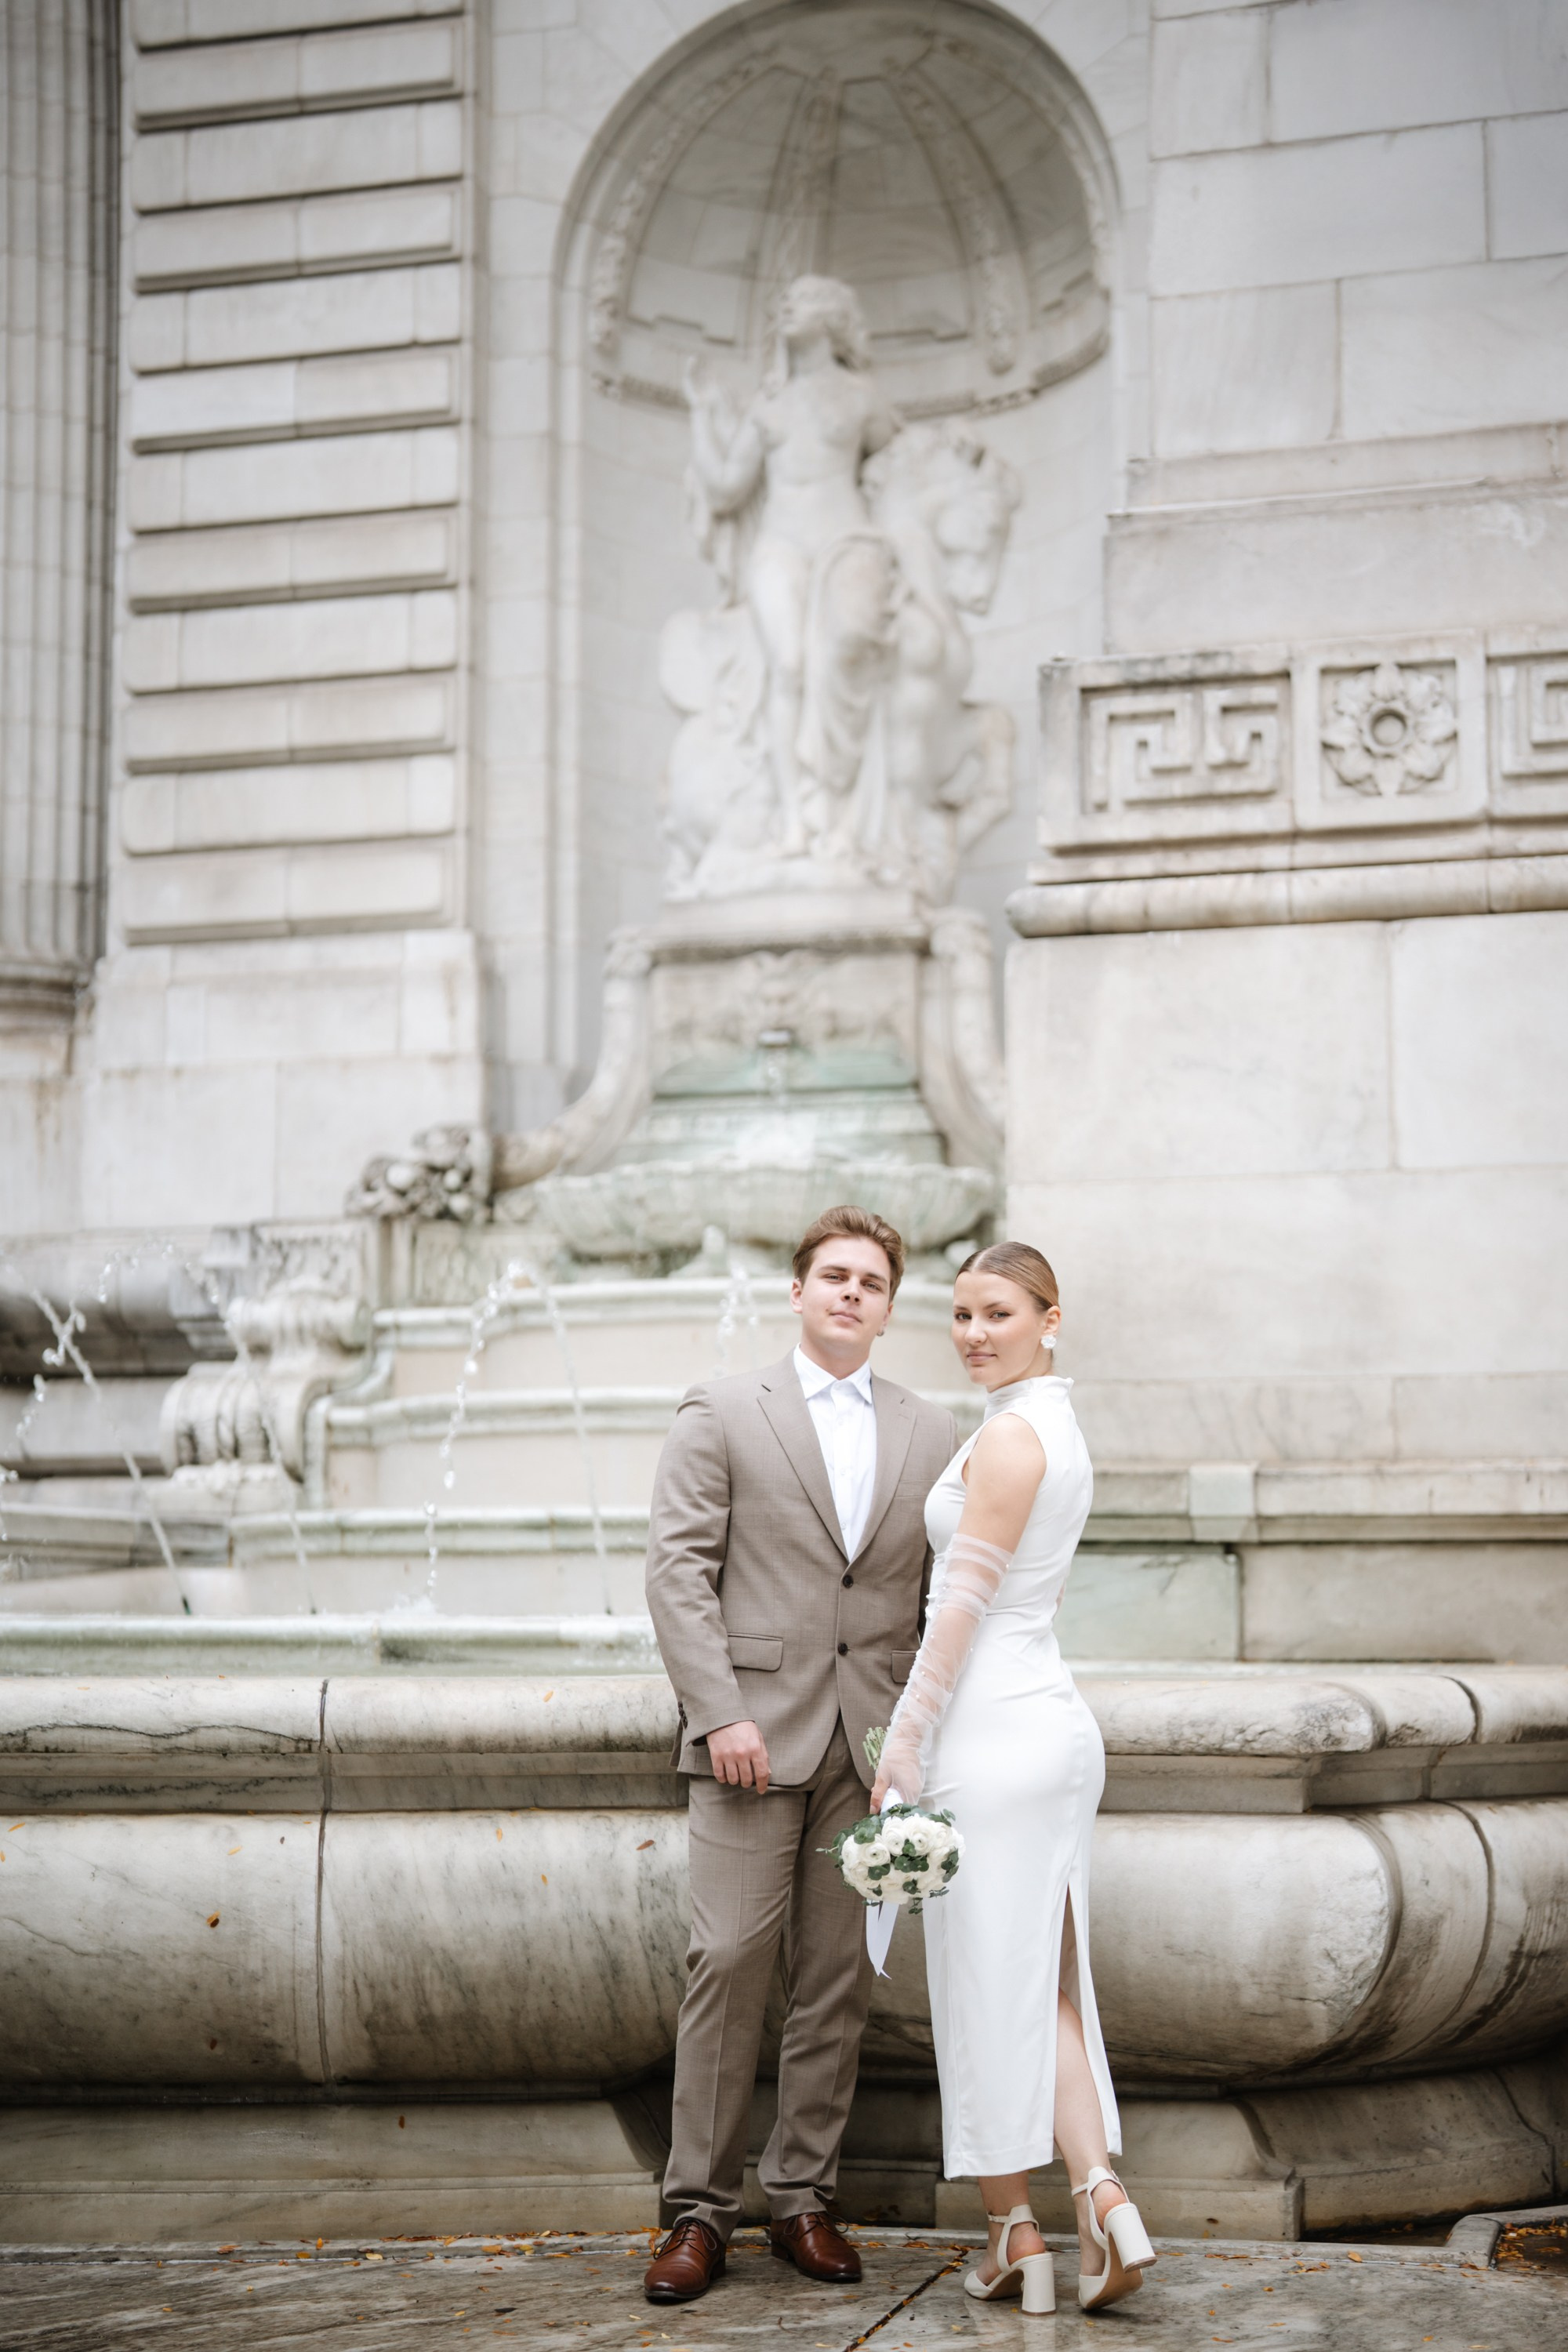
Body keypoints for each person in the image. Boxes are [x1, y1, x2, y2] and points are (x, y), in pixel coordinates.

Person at [642, 1205, 956, 2303]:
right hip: (748, 1740)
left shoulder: (930, 1431)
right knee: (726, 1964)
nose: (850, 1294)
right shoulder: (724, 1408)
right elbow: (678, 1570)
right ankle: (696, 2215)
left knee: (835, 1983)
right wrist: (717, 1709)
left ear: (886, 1305)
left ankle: (803, 2201)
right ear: (797, 1290)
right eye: (833, 1276)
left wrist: (908, 1738)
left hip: (866, 1749)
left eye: (871, 1281)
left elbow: (927, 1597)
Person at [872, 1242, 1158, 2316]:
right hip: (1049, 1727)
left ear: (1050, 1319)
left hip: (989, 1735)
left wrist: (903, 1744)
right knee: (1042, 1985)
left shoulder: (1009, 1440)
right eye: (960, 1314)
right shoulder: (1057, 1430)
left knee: (986, 1987)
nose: (975, 1331)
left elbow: (958, 1613)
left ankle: (1014, 2237)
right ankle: (1103, 2200)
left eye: (998, 1312)